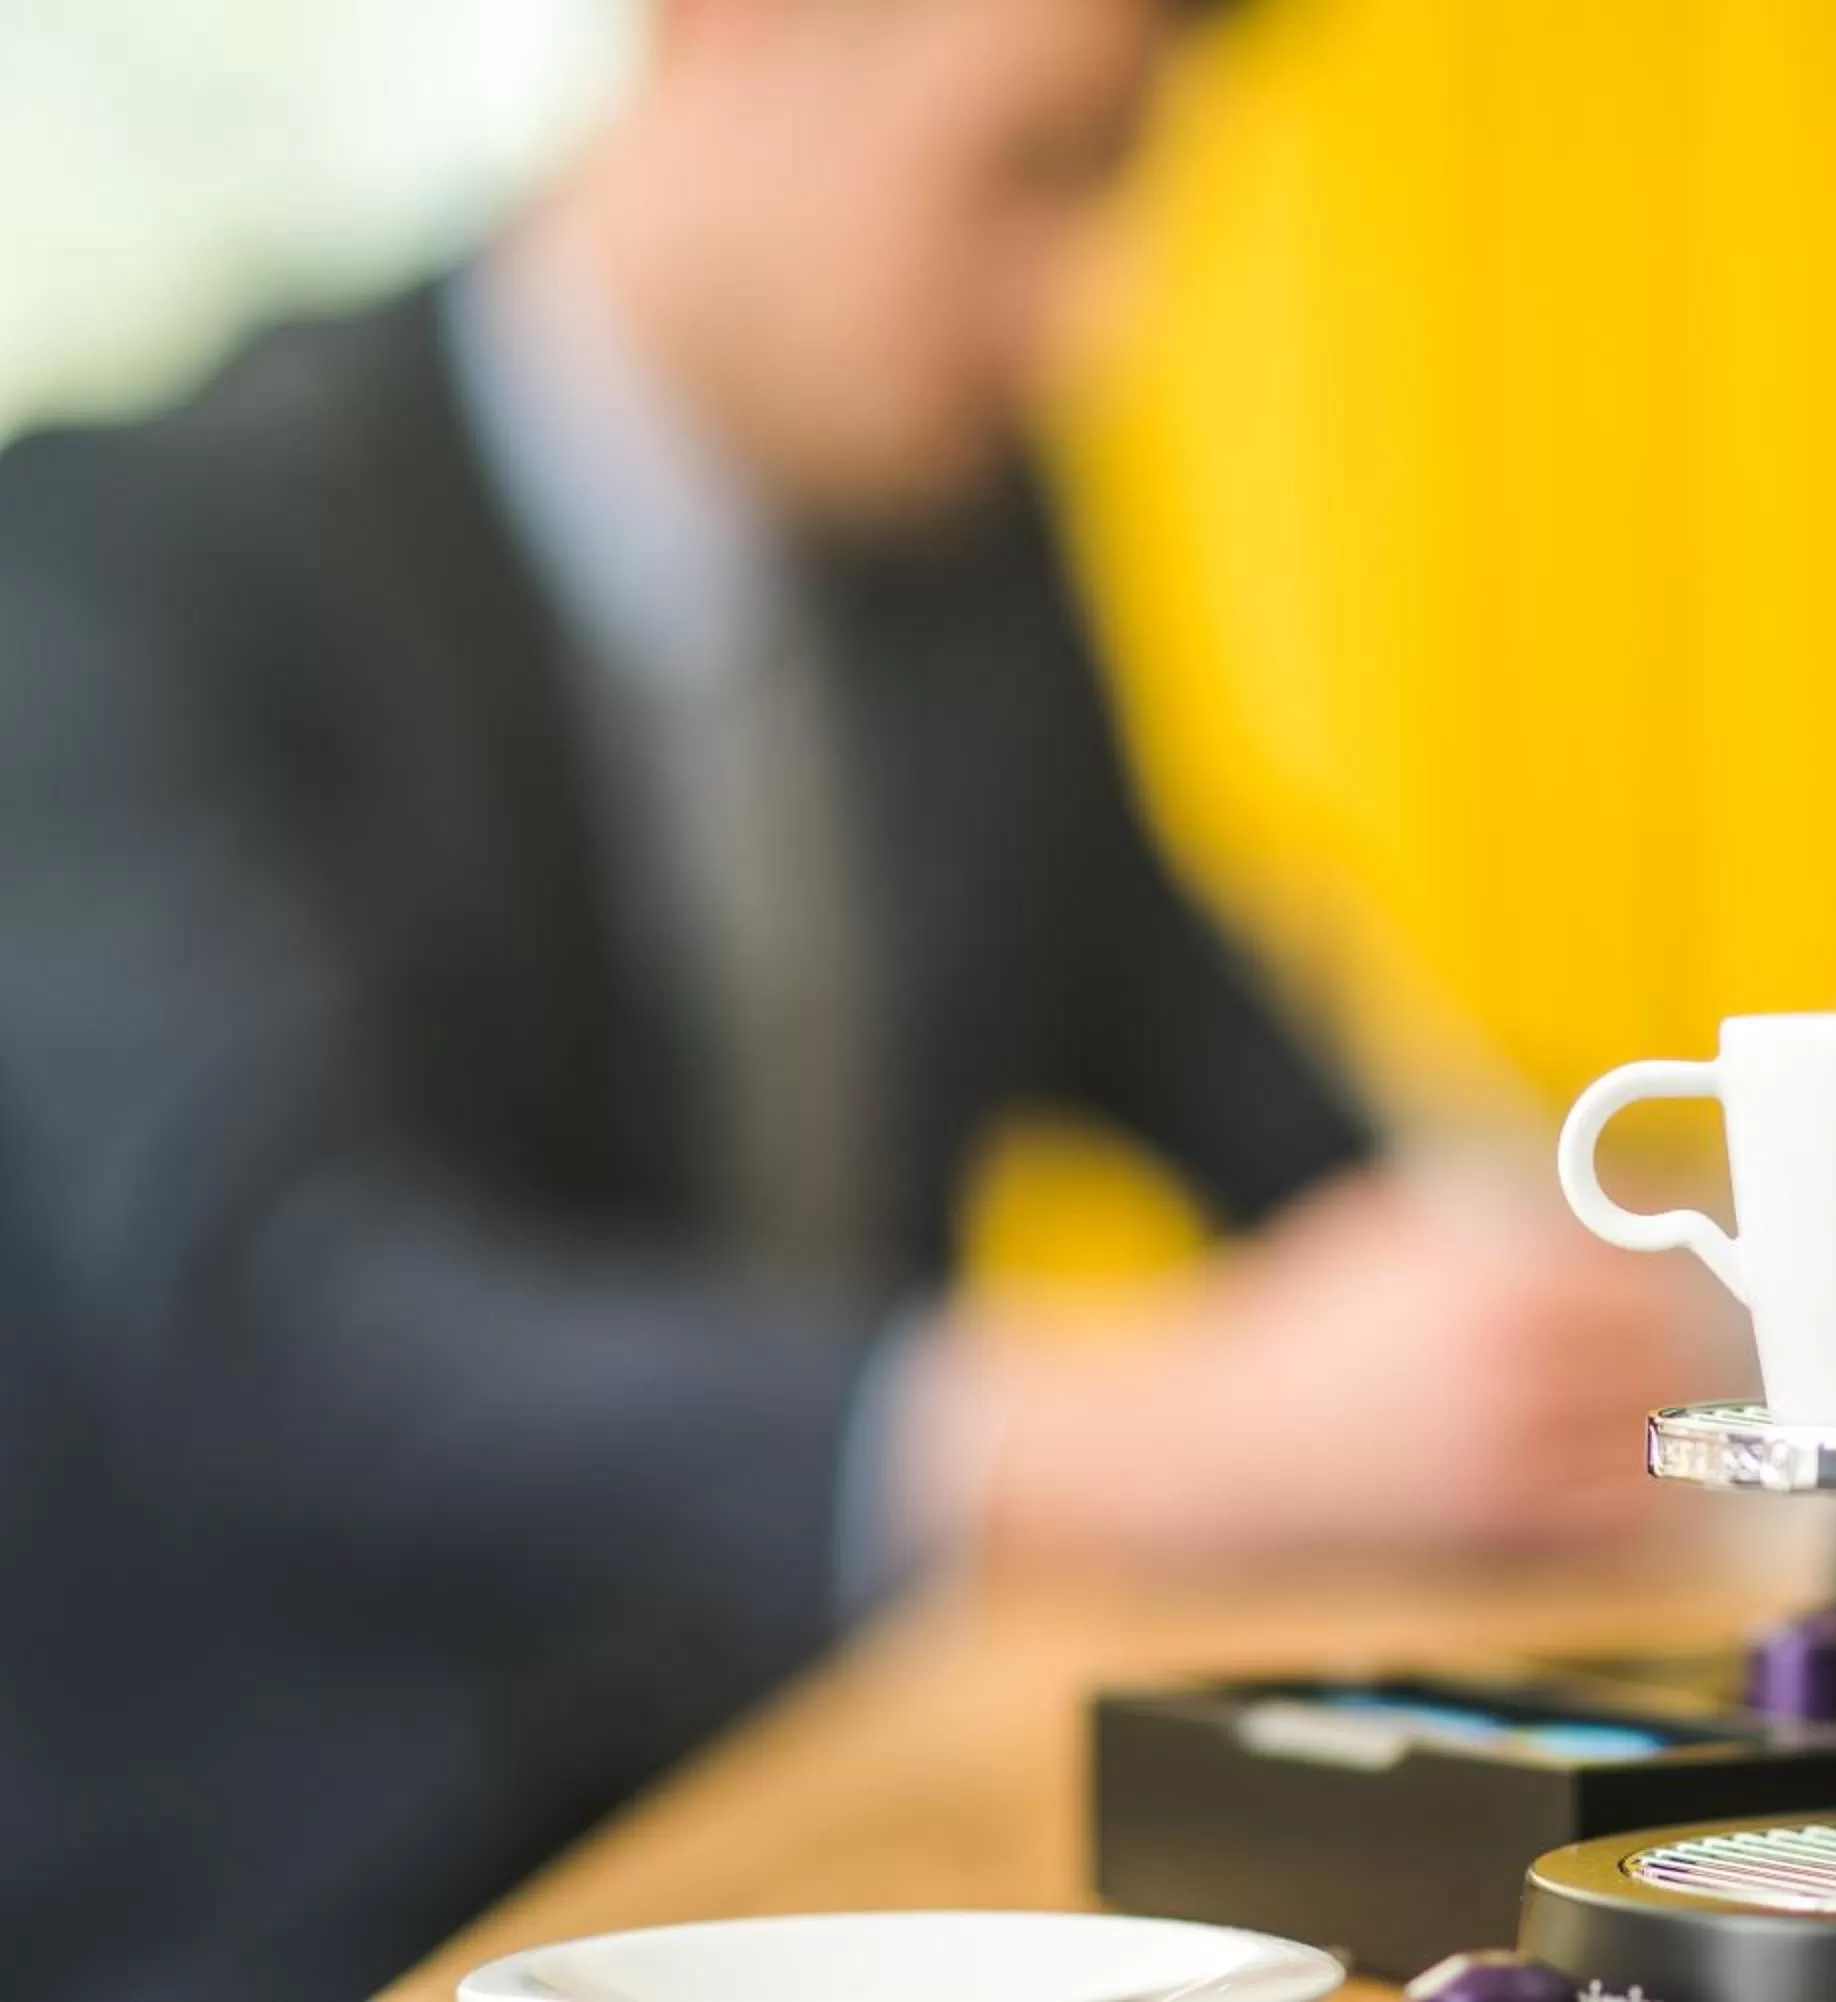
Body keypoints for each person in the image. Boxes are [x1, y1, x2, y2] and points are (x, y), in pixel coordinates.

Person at [0, 1, 1700, 1996]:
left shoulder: (960, 544)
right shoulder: (128, 559)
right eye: (1035, 165)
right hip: (302, 1909)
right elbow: (279, 1305)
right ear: (729, 34)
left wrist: (1608, 1262)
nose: (1091, 314)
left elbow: (1254, 1095)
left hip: (837, 1825)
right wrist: (1085, 1430)